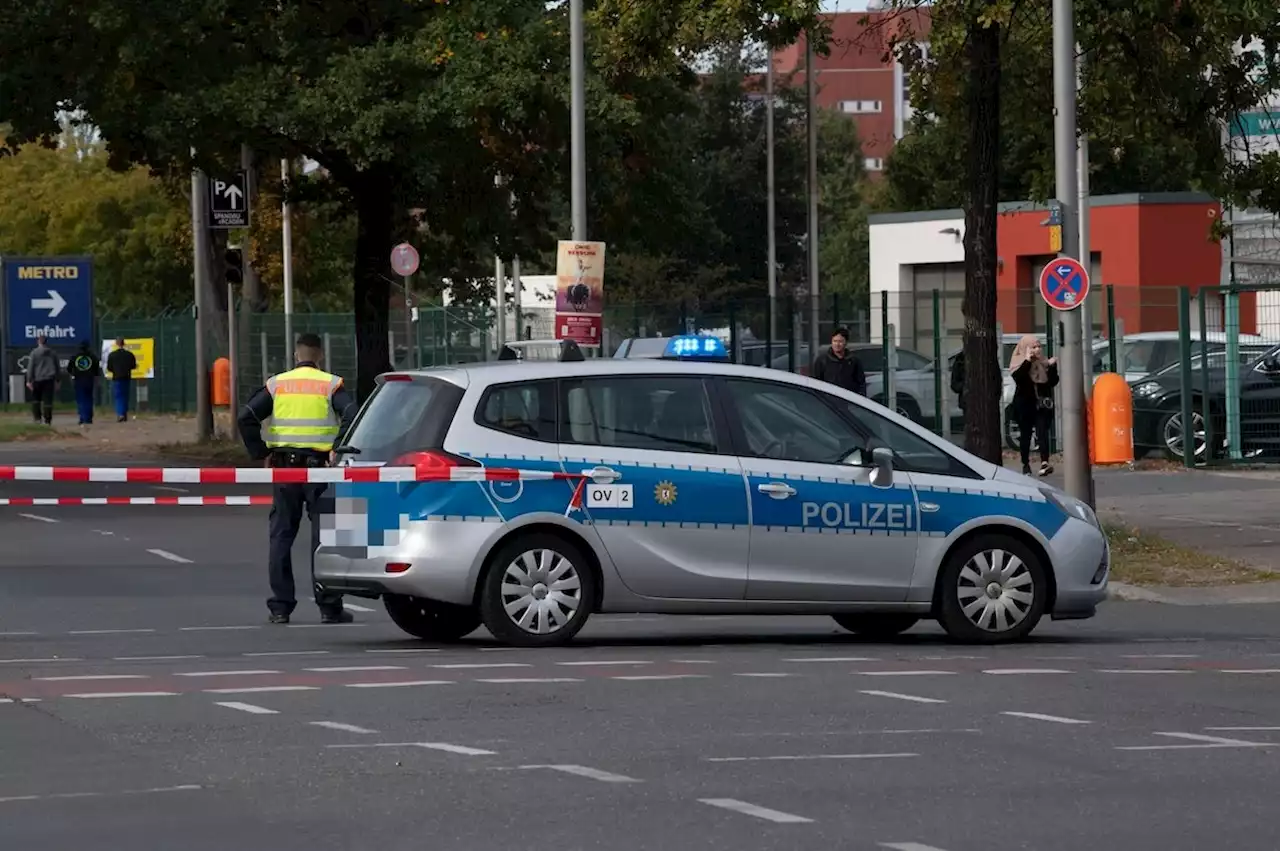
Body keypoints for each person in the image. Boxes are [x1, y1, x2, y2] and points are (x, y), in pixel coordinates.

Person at [237, 333, 359, 625]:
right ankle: (329, 607)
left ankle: (280, 607)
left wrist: (261, 451)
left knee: (281, 536)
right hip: (319, 469)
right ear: (320, 355)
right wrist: (336, 447)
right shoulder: (331, 384)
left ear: (295, 355)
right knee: (326, 538)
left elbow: (246, 417)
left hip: (284, 468)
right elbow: (353, 413)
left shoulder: (278, 384)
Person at [1009, 333, 1059, 477]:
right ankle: (1025, 464)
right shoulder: (1019, 361)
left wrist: (1052, 367)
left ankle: (1045, 462)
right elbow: (1019, 378)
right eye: (1033, 347)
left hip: (1042, 404)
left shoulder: (1044, 362)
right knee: (1026, 434)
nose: (1037, 350)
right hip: (1025, 404)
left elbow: (1053, 381)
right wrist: (1027, 361)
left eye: (1039, 346)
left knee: (1042, 432)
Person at [811, 327, 867, 395]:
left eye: (840, 341)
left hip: (849, 400)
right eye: (834, 341)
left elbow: (861, 383)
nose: (837, 344)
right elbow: (816, 382)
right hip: (828, 400)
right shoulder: (822, 360)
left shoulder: (854, 361)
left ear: (846, 342)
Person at [24, 335, 61, 425]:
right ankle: (48, 420)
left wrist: (29, 380)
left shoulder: (34, 353)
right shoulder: (53, 353)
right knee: (48, 401)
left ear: (38, 342)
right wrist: (58, 380)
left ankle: (37, 418)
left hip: (38, 379)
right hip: (49, 379)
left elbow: (31, 367)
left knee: (36, 400)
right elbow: (57, 367)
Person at [66, 341, 102, 426]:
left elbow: (69, 369)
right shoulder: (92, 357)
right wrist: (96, 379)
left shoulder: (74, 357)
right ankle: (88, 418)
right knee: (89, 399)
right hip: (89, 380)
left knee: (81, 399)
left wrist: (73, 375)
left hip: (78, 380)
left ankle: (82, 417)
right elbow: (97, 370)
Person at [105, 339, 138, 422]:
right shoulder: (129, 354)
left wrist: (115, 370)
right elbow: (133, 366)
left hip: (117, 378)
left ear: (116, 344)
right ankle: (124, 413)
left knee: (118, 396)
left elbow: (109, 367)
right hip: (126, 377)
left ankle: (120, 414)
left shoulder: (112, 355)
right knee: (125, 396)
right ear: (124, 344)